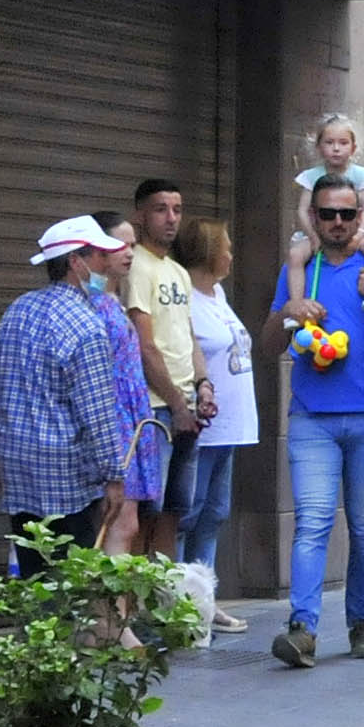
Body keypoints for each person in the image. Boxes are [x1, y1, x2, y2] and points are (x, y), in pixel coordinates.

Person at [261, 175, 364, 667]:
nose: (336, 223)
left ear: (360, 216)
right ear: (312, 217)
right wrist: (288, 312)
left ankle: (361, 621)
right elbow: (267, 347)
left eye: (346, 214)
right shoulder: (299, 269)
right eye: (326, 214)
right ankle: (302, 628)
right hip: (311, 420)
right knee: (311, 523)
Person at [0, 218, 134, 575]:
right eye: (99, 256)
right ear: (75, 261)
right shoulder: (86, 325)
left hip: (18, 463)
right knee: (76, 581)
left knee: (35, 573)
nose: (104, 266)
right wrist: (114, 476)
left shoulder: (18, 310)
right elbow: (97, 413)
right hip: (68, 475)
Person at [174, 217, 257, 630]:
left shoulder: (217, 293)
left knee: (214, 513)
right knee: (188, 514)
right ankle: (175, 604)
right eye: (225, 247)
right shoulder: (185, 296)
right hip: (205, 427)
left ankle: (203, 600)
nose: (231, 254)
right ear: (207, 253)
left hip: (232, 427)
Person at [125, 179, 210, 558]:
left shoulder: (178, 271)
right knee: (147, 511)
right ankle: (134, 605)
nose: (171, 218)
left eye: (177, 209)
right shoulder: (135, 266)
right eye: (161, 209)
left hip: (185, 405)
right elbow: (143, 344)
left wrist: (203, 384)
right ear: (140, 215)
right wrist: (176, 403)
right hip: (155, 407)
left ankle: (163, 604)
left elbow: (188, 336)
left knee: (177, 510)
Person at [87, 211, 159, 553]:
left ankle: (120, 606)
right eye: (120, 244)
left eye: (132, 245)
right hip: (111, 420)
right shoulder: (89, 302)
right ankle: (111, 607)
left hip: (132, 419)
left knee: (131, 523)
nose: (129, 252)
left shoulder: (113, 297)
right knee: (119, 521)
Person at [283, 112, 364, 309]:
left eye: (343, 143)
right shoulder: (311, 176)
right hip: (317, 232)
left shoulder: (360, 175)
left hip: (356, 231)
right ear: (318, 147)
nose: (336, 148)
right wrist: (313, 236)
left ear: (353, 147)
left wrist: (360, 233)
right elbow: (303, 210)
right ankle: (296, 302)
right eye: (329, 143)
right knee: (296, 255)